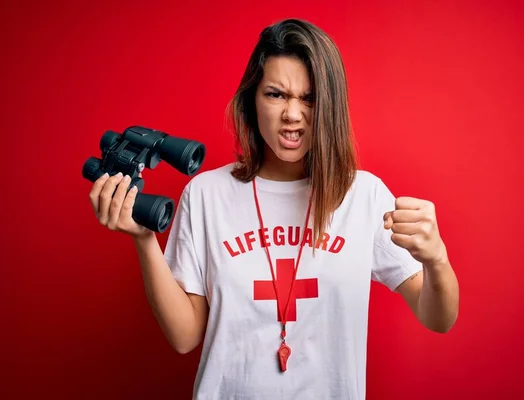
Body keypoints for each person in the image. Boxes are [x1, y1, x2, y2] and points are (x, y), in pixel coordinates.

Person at [88, 18, 459, 400]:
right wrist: (145, 240)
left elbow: (438, 318)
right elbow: (184, 337)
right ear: (253, 99)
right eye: (276, 95)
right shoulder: (205, 194)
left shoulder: (363, 195)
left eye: (309, 98)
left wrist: (437, 260)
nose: (292, 115)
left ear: (330, 107)